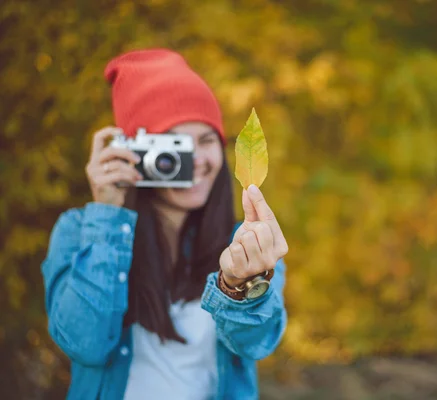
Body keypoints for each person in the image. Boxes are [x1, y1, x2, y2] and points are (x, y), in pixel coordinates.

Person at [41, 49, 288, 400]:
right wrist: (108, 215)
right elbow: (85, 345)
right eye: (176, 147)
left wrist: (237, 285)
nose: (196, 161)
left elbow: (258, 343)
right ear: (134, 153)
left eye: (205, 141)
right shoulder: (81, 231)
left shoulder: (243, 243)